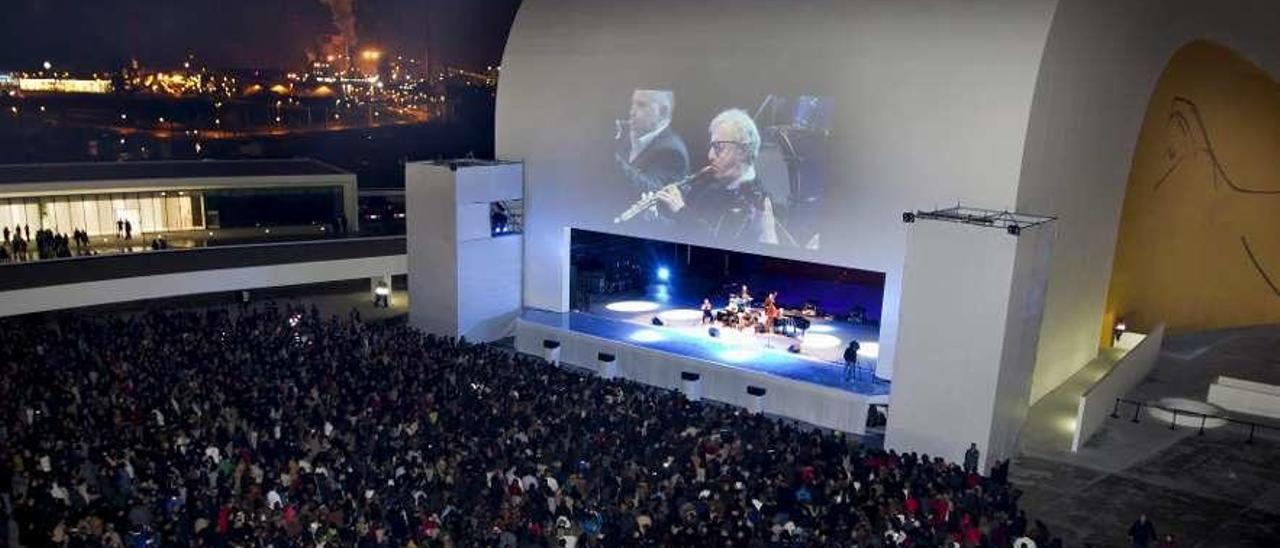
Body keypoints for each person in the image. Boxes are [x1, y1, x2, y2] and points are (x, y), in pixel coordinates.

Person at [654, 108, 785, 245]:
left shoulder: (758, 202)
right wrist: (656, 217)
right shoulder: (709, 189)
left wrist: (681, 211)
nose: (710, 156)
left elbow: (722, 245)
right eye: (712, 147)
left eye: (719, 147)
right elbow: (679, 234)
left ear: (743, 150)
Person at [615, 89, 690, 223]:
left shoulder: (672, 151)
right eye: (632, 104)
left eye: (641, 105)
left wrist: (611, 159)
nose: (632, 112)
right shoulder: (628, 135)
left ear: (663, 111)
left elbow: (653, 193)